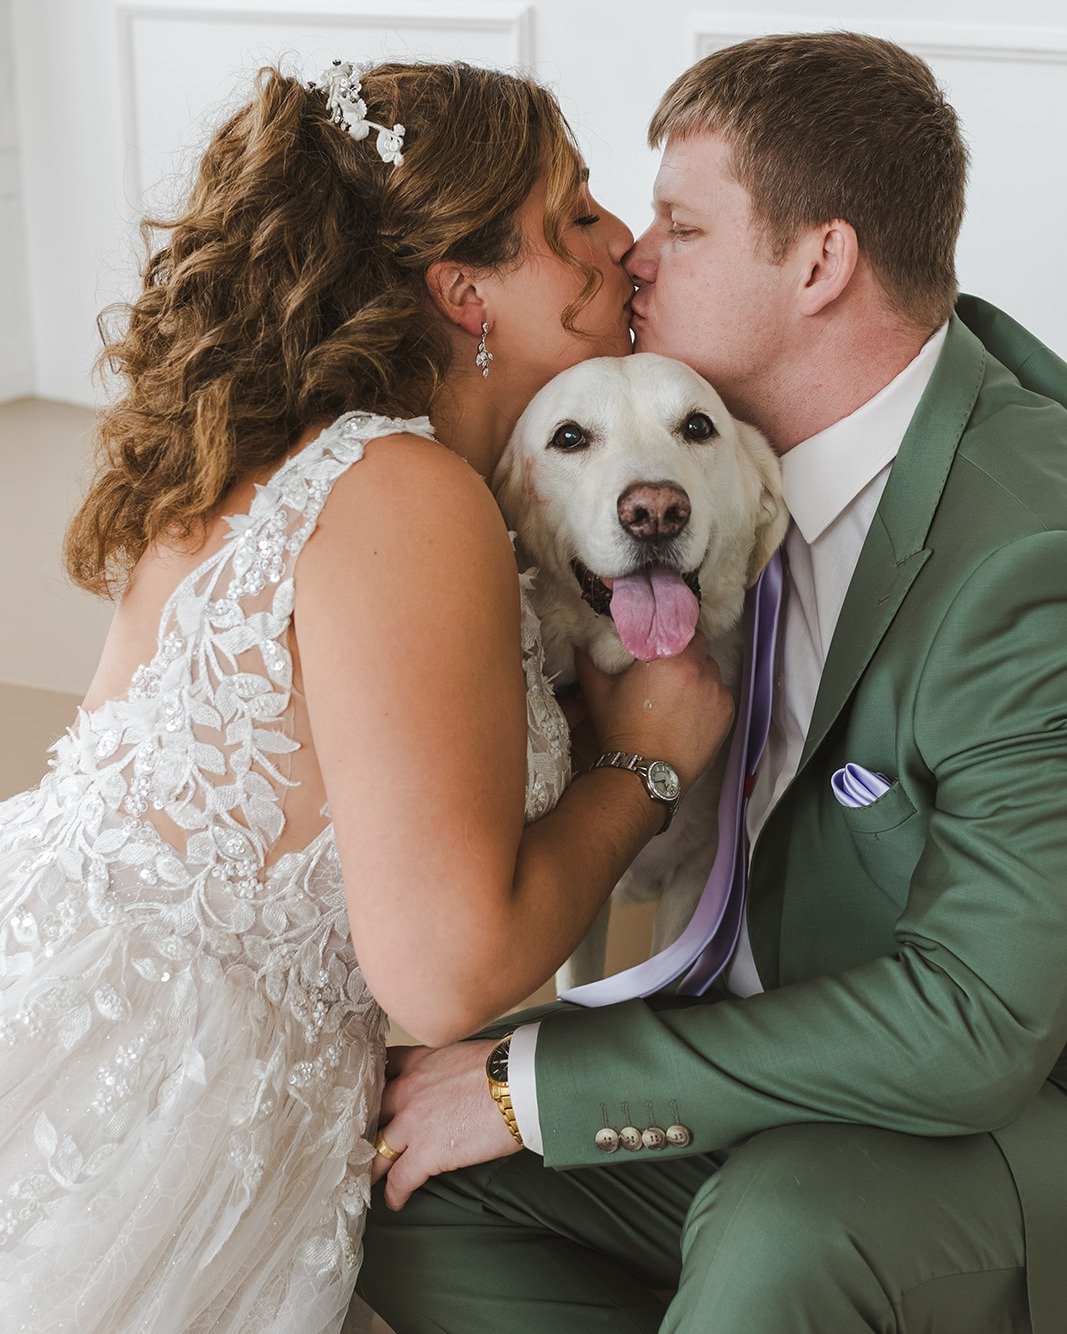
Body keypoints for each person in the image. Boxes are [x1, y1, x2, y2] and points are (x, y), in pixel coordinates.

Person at [0, 60, 732, 1331]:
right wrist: (645, 764)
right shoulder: (405, 494)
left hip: (110, 1007)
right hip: (150, 1091)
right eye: (571, 216)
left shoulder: (306, 456)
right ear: (464, 294)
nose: (619, 239)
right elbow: (447, 974)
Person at [357, 32, 1067, 1334]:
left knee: (780, 1221)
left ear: (818, 263)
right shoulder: (723, 466)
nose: (630, 255)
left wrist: (529, 1085)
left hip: (996, 1116)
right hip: (766, 1059)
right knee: (391, 1166)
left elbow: (976, 1023)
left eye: (680, 228)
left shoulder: (1029, 553)